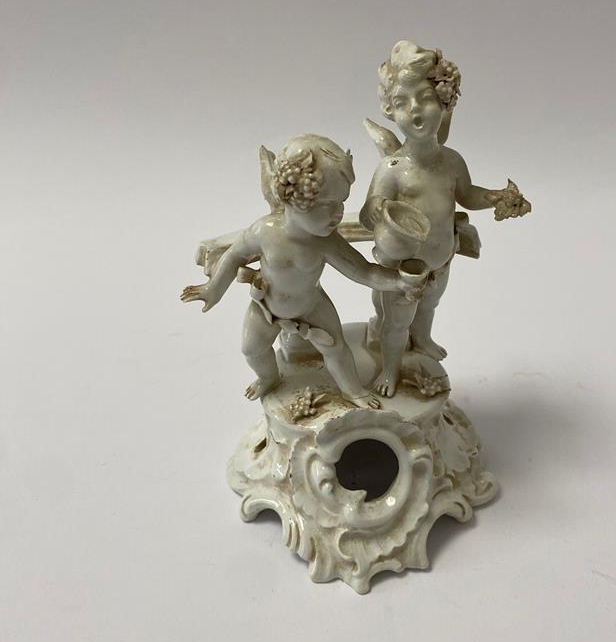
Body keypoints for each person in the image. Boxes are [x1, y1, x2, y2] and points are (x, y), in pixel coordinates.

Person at [181, 135, 420, 408]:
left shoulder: (326, 242)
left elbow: (363, 272)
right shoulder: (265, 232)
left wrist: (399, 282)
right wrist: (213, 289)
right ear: (295, 199)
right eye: (328, 205)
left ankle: (353, 391)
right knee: (252, 349)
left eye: (341, 203)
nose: (338, 213)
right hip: (266, 307)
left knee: (336, 349)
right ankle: (269, 378)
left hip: (311, 307)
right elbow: (234, 255)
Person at [361, 41, 529, 396]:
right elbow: (367, 213)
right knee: (396, 323)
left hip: (441, 259)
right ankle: (389, 368)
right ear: (391, 111)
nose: (415, 111)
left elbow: (466, 195)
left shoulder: (451, 162)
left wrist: (495, 197)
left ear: (445, 103)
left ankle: (422, 339)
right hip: (403, 270)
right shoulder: (393, 168)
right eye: (402, 103)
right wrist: (376, 208)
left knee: (429, 306)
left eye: (425, 98)